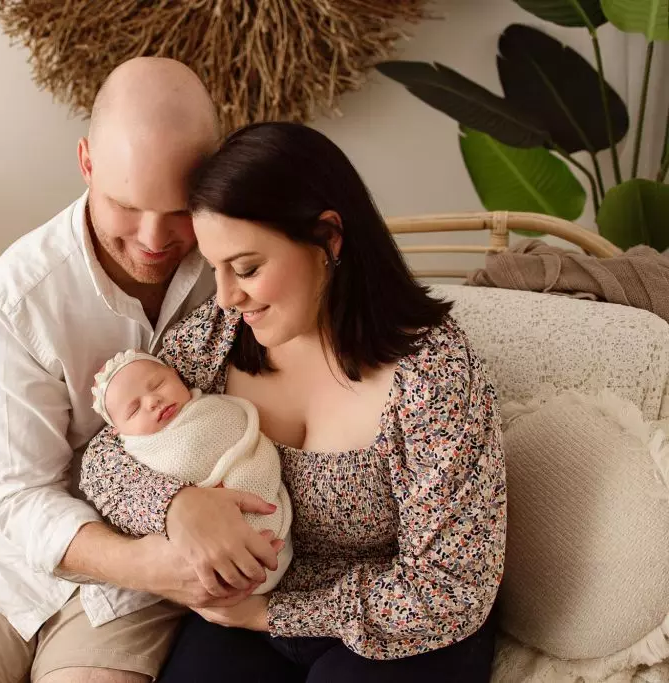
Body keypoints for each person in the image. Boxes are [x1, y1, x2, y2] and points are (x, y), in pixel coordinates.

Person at [0, 58, 284, 683]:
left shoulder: (238, 269)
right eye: (126, 204)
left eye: (177, 209)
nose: (154, 238)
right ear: (86, 162)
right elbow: (16, 491)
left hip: (136, 600)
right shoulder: (20, 296)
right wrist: (151, 560)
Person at [81, 122, 507, 682]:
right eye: (215, 268)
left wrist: (267, 613)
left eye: (248, 268)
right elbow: (104, 460)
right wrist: (177, 504)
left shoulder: (434, 375)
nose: (228, 296)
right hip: (247, 612)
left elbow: (453, 588)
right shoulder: (219, 338)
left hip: (401, 629)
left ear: (329, 238)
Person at [91, 348, 293, 593]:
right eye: (134, 410)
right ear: (118, 433)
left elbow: (244, 439)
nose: (153, 401)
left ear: (177, 375)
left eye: (158, 384)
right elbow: (181, 462)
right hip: (196, 565)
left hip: (270, 529)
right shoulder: (137, 450)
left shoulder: (211, 407)